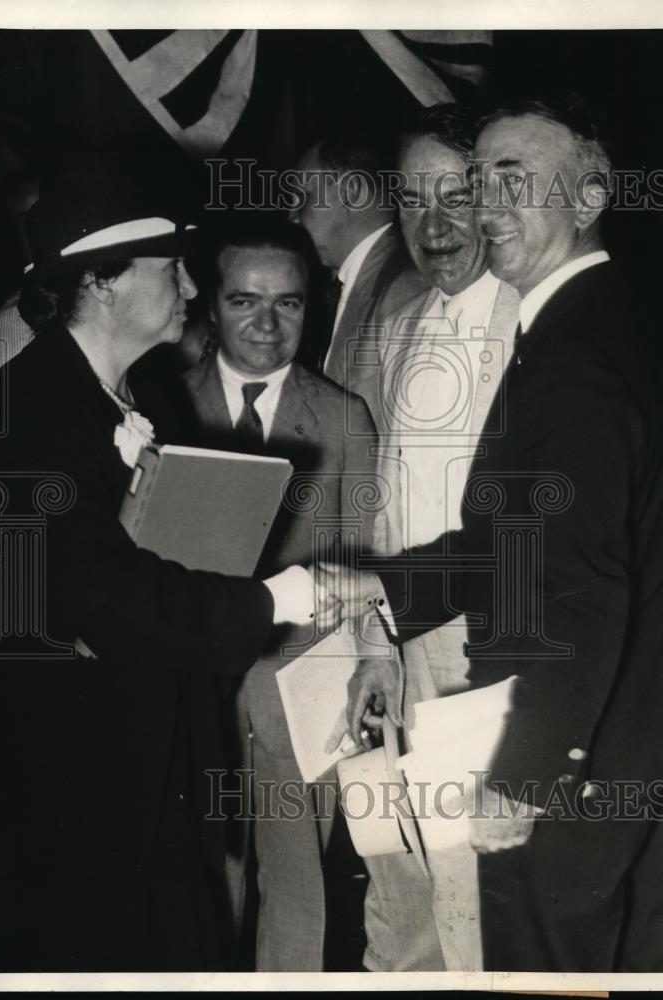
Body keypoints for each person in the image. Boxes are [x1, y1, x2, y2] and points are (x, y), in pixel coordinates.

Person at [317, 94, 663, 972]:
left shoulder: (577, 351)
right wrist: (385, 594)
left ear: (588, 197)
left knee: (522, 948)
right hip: (528, 699)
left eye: (509, 179)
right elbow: (524, 538)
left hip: (549, 716)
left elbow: (577, 585)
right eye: (478, 181)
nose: (479, 208)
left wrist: (523, 770)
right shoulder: (562, 325)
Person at [0, 172, 319, 973]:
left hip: (137, 769)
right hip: (69, 790)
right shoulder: (33, 410)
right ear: (101, 283)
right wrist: (282, 596)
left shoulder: (128, 397)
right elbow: (100, 597)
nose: (192, 286)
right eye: (169, 267)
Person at [332, 104, 519, 973]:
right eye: (411, 200)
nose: (432, 224)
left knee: (469, 896)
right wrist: (373, 646)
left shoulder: (529, 327)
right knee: (394, 882)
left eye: (455, 195)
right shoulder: (400, 324)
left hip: (484, 653)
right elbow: (379, 504)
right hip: (396, 649)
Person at [180, 217, 378, 971]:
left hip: (302, 687)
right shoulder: (163, 406)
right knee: (204, 880)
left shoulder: (342, 418)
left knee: (299, 886)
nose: (266, 324)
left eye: (288, 304)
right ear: (209, 305)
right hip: (195, 688)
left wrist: (366, 662)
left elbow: (361, 559)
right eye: (244, 301)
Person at [289, 125, 426, 400]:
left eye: (303, 198)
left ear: (352, 191)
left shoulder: (405, 291)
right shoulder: (357, 282)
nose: (292, 217)